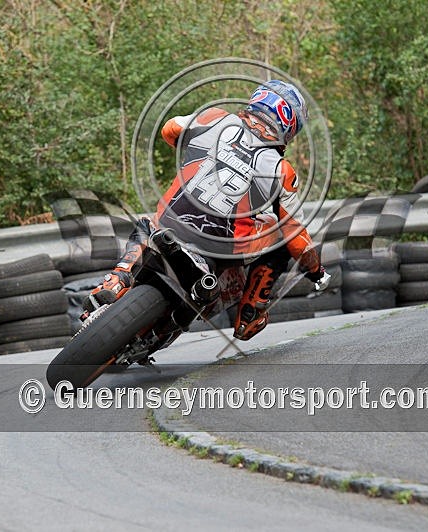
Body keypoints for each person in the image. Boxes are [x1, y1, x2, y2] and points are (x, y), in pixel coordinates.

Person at [84, 80, 324, 340]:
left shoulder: (215, 119)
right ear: (290, 127)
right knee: (283, 238)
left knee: (150, 226)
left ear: (257, 100)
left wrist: (193, 151)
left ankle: (118, 277)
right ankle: (250, 312)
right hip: (222, 248)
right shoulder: (282, 171)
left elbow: (170, 128)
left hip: (171, 221)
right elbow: (297, 240)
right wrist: (316, 272)